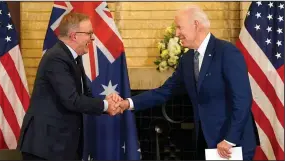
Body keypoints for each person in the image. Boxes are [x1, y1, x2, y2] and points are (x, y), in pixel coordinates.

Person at [116, 5, 259, 160]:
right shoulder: (187, 59)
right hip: (205, 142)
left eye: (179, 27)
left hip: (232, 144)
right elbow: (165, 91)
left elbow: (242, 99)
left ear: (196, 25)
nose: (177, 33)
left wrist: (230, 139)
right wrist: (127, 103)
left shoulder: (226, 52)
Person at [17, 12, 122, 160]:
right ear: (74, 36)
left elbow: (83, 97)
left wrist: (107, 101)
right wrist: (105, 105)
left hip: (61, 146)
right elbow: (72, 100)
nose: (92, 38)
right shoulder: (57, 58)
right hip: (46, 146)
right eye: (89, 33)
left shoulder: (73, 58)